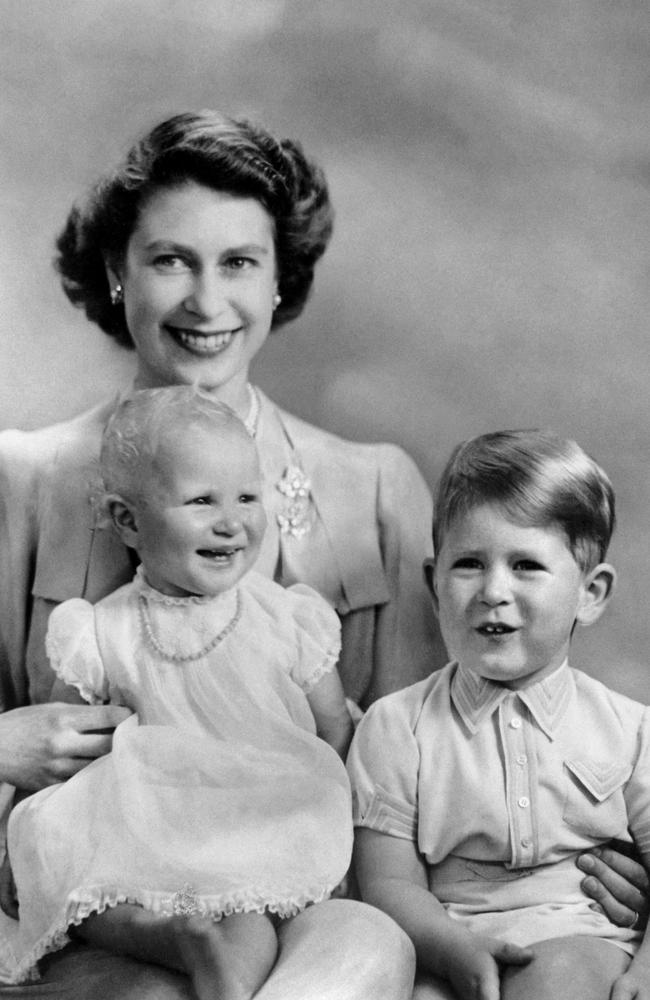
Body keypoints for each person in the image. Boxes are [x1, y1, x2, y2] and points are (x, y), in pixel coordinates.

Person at [0, 109, 643, 996]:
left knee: (366, 954)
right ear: (116, 274)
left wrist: (579, 867)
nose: (204, 301)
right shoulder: (23, 480)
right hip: (97, 916)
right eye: (168, 260)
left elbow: (444, 754)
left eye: (239, 263)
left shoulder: (374, 487)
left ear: (276, 284)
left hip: (312, 898)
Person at [6, 386, 355, 998]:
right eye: (201, 501)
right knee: (86, 895)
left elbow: (335, 729)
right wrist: (32, 837)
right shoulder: (101, 628)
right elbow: (62, 744)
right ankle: (175, 936)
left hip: (250, 820)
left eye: (248, 496)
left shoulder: (286, 620)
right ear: (128, 520)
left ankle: (215, 961)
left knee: (249, 917)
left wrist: (325, 815)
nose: (231, 522)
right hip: (141, 825)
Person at [348, 429, 650, 1000]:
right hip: (444, 938)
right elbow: (388, 881)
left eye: (526, 566)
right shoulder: (394, 727)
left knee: (558, 984)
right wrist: (452, 949)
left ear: (591, 593)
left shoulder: (632, 731)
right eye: (468, 564)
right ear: (434, 587)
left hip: (577, 934)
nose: (493, 590)